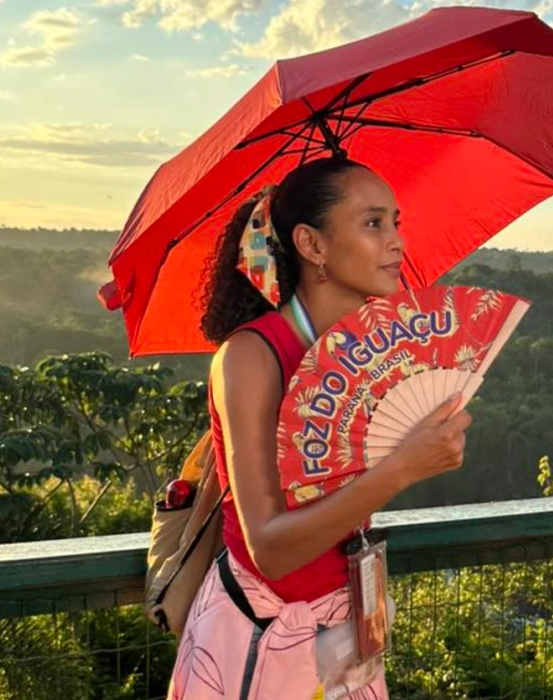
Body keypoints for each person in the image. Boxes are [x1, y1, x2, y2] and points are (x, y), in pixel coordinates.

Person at [167, 157, 472, 700]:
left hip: (346, 627)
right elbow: (270, 551)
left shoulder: (368, 358)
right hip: (261, 640)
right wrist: (403, 468)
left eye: (396, 222)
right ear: (312, 245)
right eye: (374, 223)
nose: (397, 242)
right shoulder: (252, 357)